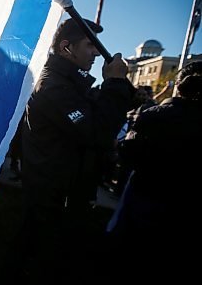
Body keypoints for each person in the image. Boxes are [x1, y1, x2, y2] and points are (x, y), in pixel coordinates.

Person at [19, 18, 134, 284]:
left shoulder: (70, 85)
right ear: (66, 47)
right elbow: (97, 133)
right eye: (89, 45)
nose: (96, 52)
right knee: (40, 266)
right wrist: (114, 84)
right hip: (51, 204)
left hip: (65, 198)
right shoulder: (54, 86)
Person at [108, 61, 202, 284]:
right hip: (184, 211)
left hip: (145, 199)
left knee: (128, 259)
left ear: (178, 86)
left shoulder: (155, 116)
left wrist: (118, 147)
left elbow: (129, 152)